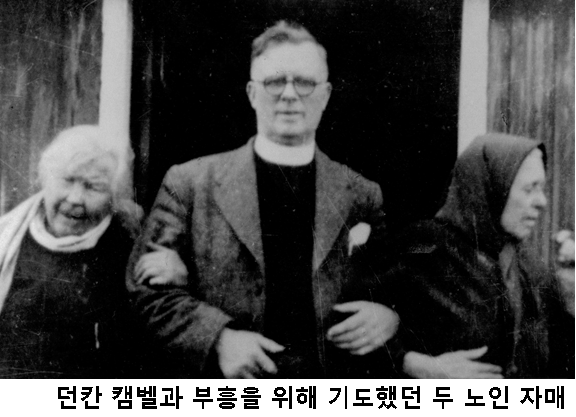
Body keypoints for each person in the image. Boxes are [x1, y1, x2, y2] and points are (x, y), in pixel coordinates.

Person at [126, 20, 398, 378]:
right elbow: (145, 291)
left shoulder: (362, 194)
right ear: (253, 93)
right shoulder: (190, 183)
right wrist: (218, 338)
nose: (289, 95)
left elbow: (391, 288)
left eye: (304, 82)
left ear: (326, 95)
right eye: (275, 82)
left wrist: (389, 316)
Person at [0, 125, 184, 378]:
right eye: (67, 180)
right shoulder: (8, 236)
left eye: (93, 187)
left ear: (113, 197)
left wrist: (178, 282)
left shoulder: (131, 245)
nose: (75, 198)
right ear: (44, 179)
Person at [385, 133, 575, 378]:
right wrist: (413, 364)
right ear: (492, 186)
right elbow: (348, 329)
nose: (542, 202)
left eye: (542, 188)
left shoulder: (529, 267)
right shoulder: (425, 247)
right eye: (530, 189)